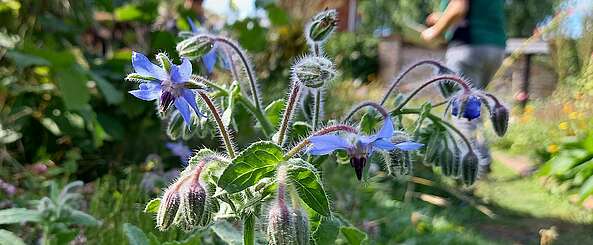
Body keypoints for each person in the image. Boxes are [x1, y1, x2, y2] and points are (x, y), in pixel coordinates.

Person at [421, 0, 507, 176]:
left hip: (468, 46)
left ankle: (466, 171)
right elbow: (478, 12)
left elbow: (459, 8)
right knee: (474, 106)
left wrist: (434, 32)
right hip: (495, 47)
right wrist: (441, 18)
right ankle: (483, 158)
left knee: (462, 112)